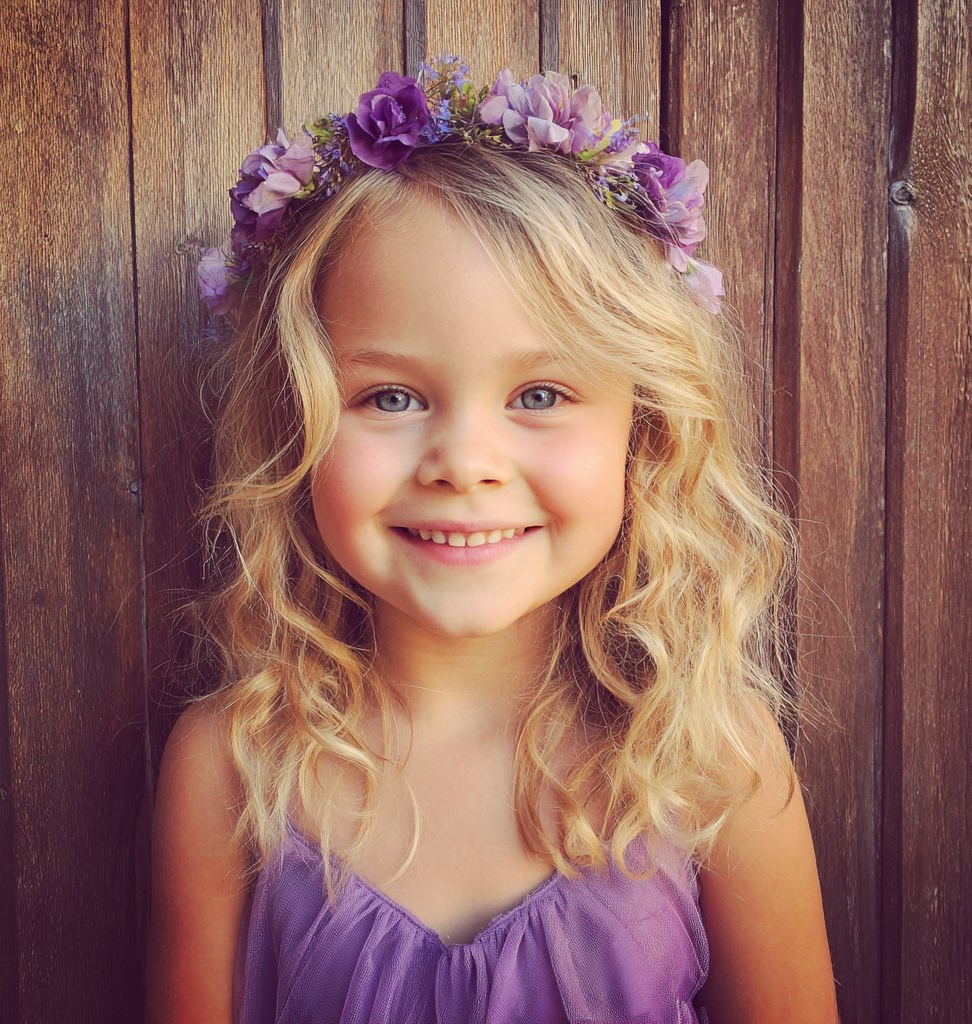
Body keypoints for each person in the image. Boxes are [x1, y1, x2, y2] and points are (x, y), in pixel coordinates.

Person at [145, 56, 838, 1024]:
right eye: (390, 395)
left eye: (540, 394)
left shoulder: (713, 759)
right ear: (293, 428)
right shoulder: (233, 763)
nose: (464, 462)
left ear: (644, 435)